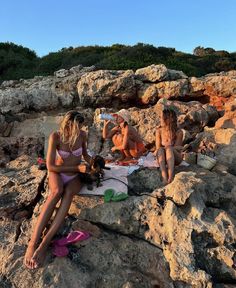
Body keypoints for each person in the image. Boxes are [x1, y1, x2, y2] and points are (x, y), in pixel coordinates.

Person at [24, 110, 92, 269]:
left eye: (80, 127)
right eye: (76, 127)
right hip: (58, 172)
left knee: (68, 193)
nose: (78, 130)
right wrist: (77, 167)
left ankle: (44, 245)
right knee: (56, 192)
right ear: (67, 124)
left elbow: (85, 154)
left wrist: (92, 162)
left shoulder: (82, 135)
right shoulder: (56, 136)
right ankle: (32, 244)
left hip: (75, 175)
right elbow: (50, 166)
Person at [155, 107, 183, 184]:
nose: (160, 119)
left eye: (162, 117)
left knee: (169, 149)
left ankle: (170, 176)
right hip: (162, 157)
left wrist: (168, 147)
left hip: (175, 158)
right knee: (160, 150)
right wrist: (165, 148)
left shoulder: (178, 132)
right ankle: (164, 177)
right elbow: (157, 148)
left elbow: (178, 148)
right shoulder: (159, 131)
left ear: (168, 120)